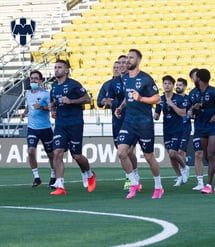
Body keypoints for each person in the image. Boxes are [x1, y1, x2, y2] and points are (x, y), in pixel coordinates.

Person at [115, 49, 164, 199]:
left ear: (139, 60)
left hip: (144, 123)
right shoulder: (124, 78)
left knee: (149, 157)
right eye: (127, 57)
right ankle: (134, 183)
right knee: (121, 152)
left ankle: (158, 186)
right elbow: (128, 97)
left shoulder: (146, 79)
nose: (128, 60)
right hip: (129, 122)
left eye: (131, 58)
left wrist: (141, 98)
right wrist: (121, 107)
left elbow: (157, 99)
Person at [49, 59, 96, 195]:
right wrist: (53, 109)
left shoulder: (74, 85)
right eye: (55, 67)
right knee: (57, 152)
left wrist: (71, 101)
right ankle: (60, 186)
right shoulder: (54, 86)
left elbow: (87, 99)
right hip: (60, 124)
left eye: (59, 67)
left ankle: (89, 173)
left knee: (76, 155)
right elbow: (53, 101)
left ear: (66, 70)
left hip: (75, 123)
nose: (56, 69)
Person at [187, 68, 215, 194]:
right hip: (200, 126)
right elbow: (189, 112)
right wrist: (193, 108)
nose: (194, 79)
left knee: (212, 154)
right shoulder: (193, 93)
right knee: (207, 155)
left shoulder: (213, 92)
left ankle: (208, 185)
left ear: (199, 79)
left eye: (195, 77)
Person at [105, 56, 139, 191]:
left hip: (133, 120)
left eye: (123, 63)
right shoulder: (113, 83)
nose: (120, 66)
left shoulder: (135, 80)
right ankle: (131, 177)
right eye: (118, 65)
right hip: (118, 121)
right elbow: (107, 99)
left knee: (129, 150)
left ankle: (133, 177)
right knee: (122, 152)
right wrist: (108, 102)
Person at [21, 70, 55, 188]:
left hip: (45, 128)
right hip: (32, 128)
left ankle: (53, 176)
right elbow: (29, 105)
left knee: (51, 154)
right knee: (30, 151)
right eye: (31, 78)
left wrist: (41, 107)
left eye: (36, 78)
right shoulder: (28, 93)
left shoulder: (45, 94)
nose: (33, 80)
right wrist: (24, 113)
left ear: (41, 81)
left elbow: (50, 108)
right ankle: (36, 177)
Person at [154, 75, 190, 186]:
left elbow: (183, 113)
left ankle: (185, 167)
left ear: (172, 86)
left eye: (169, 83)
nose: (167, 85)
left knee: (173, 152)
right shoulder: (160, 99)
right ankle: (179, 176)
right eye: (165, 83)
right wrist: (153, 114)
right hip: (166, 129)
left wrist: (172, 105)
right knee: (170, 155)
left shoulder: (179, 98)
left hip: (177, 129)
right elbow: (156, 115)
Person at [175, 77, 193, 170]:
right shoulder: (172, 98)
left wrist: (191, 113)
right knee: (176, 152)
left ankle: (183, 171)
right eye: (177, 85)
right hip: (174, 127)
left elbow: (193, 112)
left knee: (180, 150)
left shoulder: (189, 99)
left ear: (185, 86)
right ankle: (185, 161)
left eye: (180, 85)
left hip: (185, 127)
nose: (177, 87)